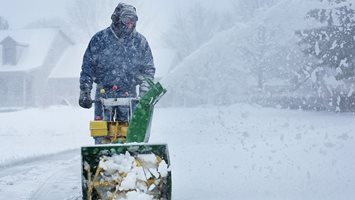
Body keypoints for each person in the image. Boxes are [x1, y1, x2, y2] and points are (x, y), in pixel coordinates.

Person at [78, 3, 155, 122]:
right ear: (117, 19)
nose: (130, 24)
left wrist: (145, 91)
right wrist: (85, 90)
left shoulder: (140, 42)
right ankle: (102, 140)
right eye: (126, 19)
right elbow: (88, 66)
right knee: (101, 132)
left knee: (128, 133)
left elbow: (148, 69)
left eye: (133, 20)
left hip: (129, 95)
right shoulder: (100, 39)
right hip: (103, 94)